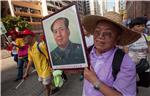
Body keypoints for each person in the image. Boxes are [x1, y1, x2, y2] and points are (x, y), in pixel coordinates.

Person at [82, 11, 141, 96]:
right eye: (97, 32)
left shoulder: (125, 63)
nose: (100, 36)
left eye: (108, 34)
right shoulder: (88, 52)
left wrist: (94, 81)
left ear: (117, 37)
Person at [22, 29, 53, 96]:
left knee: (46, 86)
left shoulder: (40, 45)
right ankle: (52, 87)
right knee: (44, 83)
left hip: (46, 70)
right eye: (23, 37)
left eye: (25, 36)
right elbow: (30, 61)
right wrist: (26, 73)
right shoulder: (29, 48)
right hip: (39, 72)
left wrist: (52, 69)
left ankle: (48, 93)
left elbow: (49, 57)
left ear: (31, 37)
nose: (23, 39)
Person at [124, 17, 150, 87]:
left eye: (143, 26)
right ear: (132, 27)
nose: (141, 28)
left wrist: (148, 49)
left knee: (146, 83)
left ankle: (135, 85)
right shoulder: (128, 37)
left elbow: (148, 46)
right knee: (131, 85)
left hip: (144, 63)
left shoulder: (146, 35)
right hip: (132, 64)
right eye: (138, 26)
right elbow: (126, 52)